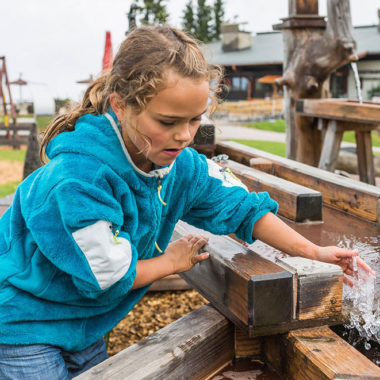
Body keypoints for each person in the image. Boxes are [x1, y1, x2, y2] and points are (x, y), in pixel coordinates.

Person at [0, 25, 374, 379]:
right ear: (121, 105)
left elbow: (242, 206)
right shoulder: (81, 179)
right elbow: (105, 276)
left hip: (80, 322)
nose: (183, 136)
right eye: (167, 121)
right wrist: (170, 262)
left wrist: (312, 251)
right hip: (24, 320)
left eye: (195, 119)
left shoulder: (179, 165)